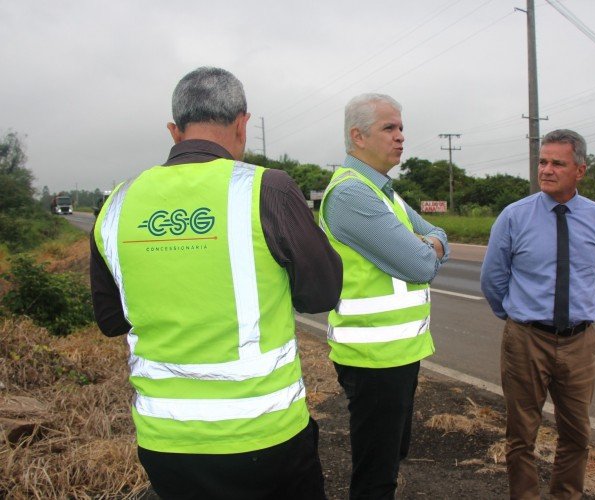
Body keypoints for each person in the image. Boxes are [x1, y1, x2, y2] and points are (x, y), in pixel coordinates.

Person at [90, 66, 342, 499]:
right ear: (243, 123)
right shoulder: (268, 189)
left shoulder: (118, 203)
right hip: (266, 436)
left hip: (164, 442)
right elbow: (320, 293)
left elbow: (112, 320)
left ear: (174, 130)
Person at [319, 93, 449, 499]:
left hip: (398, 353)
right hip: (374, 358)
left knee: (391, 459)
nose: (401, 137)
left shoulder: (382, 192)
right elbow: (421, 265)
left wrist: (427, 243)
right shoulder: (352, 195)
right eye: (389, 128)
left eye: (401, 127)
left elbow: (439, 235)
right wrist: (426, 247)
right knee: (376, 477)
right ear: (357, 137)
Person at [480, 129, 595, 499]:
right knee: (521, 435)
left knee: (577, 435)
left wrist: (577, 315)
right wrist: (517, 318)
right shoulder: (514, 216)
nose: (547, 170)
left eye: (558, 163)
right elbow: (493, 278)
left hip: (579, 342)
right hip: (526, 339)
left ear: (580, 171)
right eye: (543, 162)